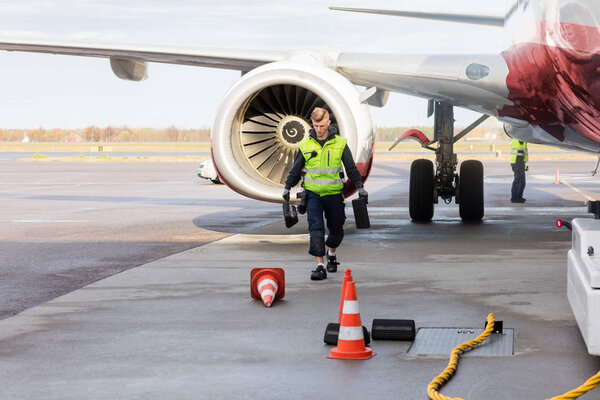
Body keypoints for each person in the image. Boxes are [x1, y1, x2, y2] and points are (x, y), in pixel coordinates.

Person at [282, 107, 368, 281]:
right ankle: (320, 266)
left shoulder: (340, 144)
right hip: (313, 194)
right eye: (315, 125)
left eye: (322, 125)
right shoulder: (305, 145)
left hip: (334, 194)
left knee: (337, 230)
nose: (319, 129)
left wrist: (360, 187)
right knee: (316, 229)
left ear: (328, 123)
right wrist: (287, 187)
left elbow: (351, 168)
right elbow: (296, 169)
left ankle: (331, 252)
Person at [510, 138, 528, 203]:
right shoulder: (515, 138)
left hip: (521, 162)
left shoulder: (524, 139)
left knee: (523, 182)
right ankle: (514, 198)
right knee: (517, 180)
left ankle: (519, 197)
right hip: (516, 162)